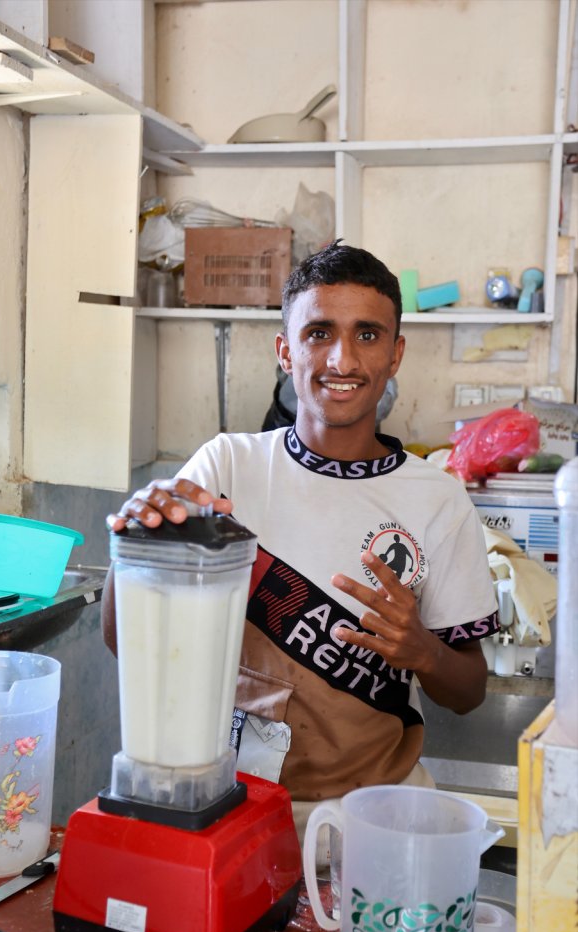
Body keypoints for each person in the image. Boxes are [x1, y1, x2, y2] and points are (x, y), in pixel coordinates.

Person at [102, 241, 499, 849]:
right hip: (225, 809)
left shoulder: (437, 500)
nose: (342, 358)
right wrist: (133, 543)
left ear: (395, 355)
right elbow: (121, 639)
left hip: (372, 823)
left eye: (367, 335)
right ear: (286, 350)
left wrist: (423, 650)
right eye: (319, 332)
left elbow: (469, 693)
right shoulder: (227, 466)